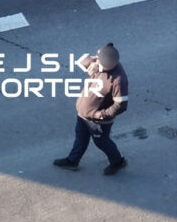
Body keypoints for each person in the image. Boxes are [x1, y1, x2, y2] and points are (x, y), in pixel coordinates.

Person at [54, 42, 129, 175]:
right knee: (80, 138)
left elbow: (121, 106)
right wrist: (94, 62)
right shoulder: (99, 62)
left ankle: (118, 162)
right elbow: (81, 61)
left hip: (98, 121)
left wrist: (100, 115)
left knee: (102, 142)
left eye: (100, 65)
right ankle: (73, 161)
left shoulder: (118, 80)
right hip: (83, 114)